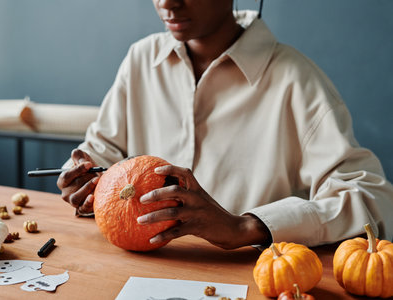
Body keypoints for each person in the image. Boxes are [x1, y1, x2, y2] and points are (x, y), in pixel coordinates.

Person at [57, 0, 393, 249]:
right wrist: (86, 177)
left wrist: (246, 226)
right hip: (134, 267)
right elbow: (100, 151)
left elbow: (375, 201)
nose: (166, 4)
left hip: (249, 277)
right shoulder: (141, 60)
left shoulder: (295, 79)